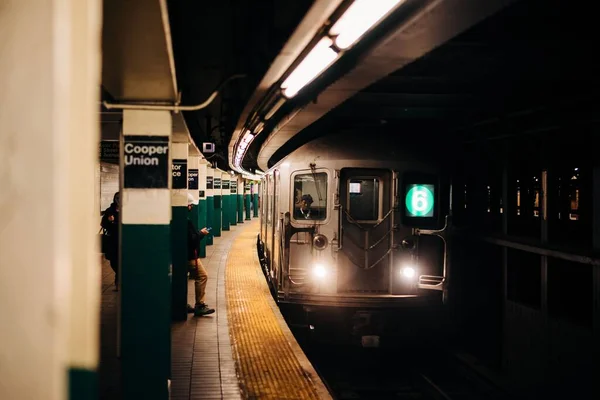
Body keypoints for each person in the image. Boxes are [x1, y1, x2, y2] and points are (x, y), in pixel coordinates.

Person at [186, 194, 215, 316]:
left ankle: (181, 303)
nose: (191, 207)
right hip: (189, 257)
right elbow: (190, 239)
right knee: (202, 276)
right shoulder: (185, 221)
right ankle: (199, 305)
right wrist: (201, 234)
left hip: (186, 255)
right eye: (190, 204)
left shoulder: (181, 219)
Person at [101, 192, 120, 291]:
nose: (119, 200)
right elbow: (103, 224)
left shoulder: (127, 210)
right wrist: (109, 220)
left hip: (123, 240)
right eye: (117, 198)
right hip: (113, 240)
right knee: (114, 261)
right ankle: (118, 277)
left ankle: (119, 281)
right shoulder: (110, 210)